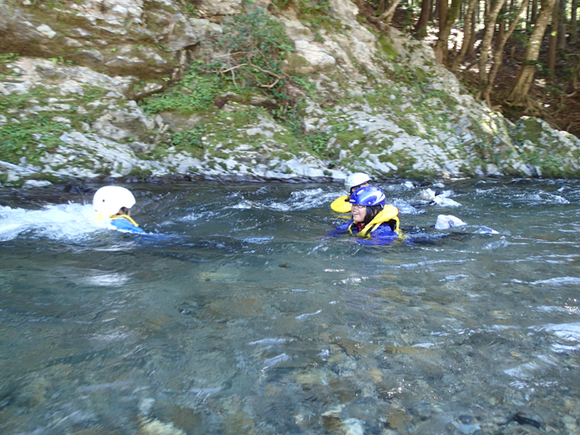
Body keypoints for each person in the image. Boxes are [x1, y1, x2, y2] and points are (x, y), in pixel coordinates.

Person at [328, 186, 405, 245]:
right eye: (354, 205)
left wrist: (356, 241)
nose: (354, 209)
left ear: (374, 211)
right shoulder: (355, 223)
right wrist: (329, 236)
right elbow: (339, 229)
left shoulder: (383, 228)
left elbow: (382, 242)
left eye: (360, 206)